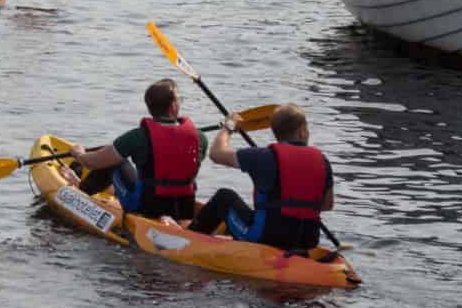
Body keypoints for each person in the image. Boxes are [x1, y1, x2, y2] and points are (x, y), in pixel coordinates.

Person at [190, 104, 334, 252]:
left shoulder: (263, 156)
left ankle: (188, 239)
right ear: (302, 132)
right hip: (308, 241)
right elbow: (327, 205)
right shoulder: (323, 161)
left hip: (266, 238)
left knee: (224, 197)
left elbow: (216, 154)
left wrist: (228, 127)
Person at [72, 79, 206, 223]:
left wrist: (79, 154)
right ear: (174, 106)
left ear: (149, 107)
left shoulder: (137, 137)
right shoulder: (200, 138)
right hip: (184, 208)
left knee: (113, 161)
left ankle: (79, 193)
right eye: (180, 100)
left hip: (145, 207)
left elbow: (93, 163)